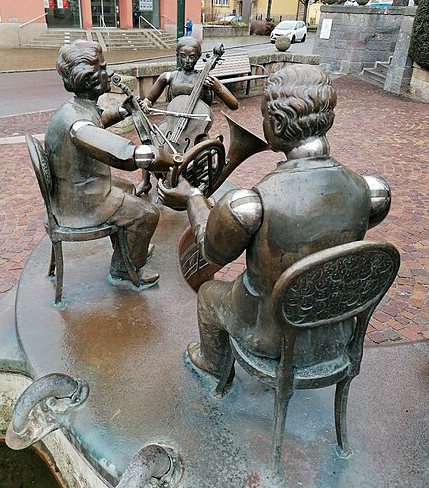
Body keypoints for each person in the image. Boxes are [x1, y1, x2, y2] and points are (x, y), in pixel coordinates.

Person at [158, 64, 392, 378]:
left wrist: (191, 198)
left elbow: (211, 252)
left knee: (209, 295)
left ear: (278, 123)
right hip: (334, 333)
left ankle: (214, 364)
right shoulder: (370, 191)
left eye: (266, 117)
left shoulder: (251, 205)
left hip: (268, 336)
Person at [44, 40, 174, 289]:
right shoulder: (77, 126)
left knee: (128, 190)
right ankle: (124, 269)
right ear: (89, 79)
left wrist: (122, 112)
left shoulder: (75, 108)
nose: (109, 73)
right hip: (81, 203)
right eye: (104, 69)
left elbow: (96, 122)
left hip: (73, 190)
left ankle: (128, 249)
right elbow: (120, 153)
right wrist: (151, 155)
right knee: (147, 214)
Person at [136, 36, 239, 195]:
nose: (187, 60)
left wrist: (218, 87)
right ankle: (145, 182)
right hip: (171, 125)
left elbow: (234, 105)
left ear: (198, 57)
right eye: (183, 56)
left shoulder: (205, 78)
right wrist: (146, 104)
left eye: (192, 56)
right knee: (148, 145)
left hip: (195, 130)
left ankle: (199, 189)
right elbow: (149, 101)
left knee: (207, 155)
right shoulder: (168, 77)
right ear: (177, 54)